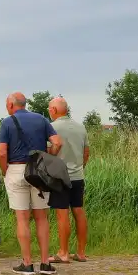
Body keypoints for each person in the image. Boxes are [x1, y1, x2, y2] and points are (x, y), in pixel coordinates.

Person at [0, 92, 64, 275]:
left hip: (17, 169)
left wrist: (5, 171)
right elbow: (58, 142)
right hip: (39, 172)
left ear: (11, 105)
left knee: (22, 218)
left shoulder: (7, 122)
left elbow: (3, 152)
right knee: (42, 218)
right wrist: (48, 159)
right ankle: (44, 263)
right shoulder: (42, 119)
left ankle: (27, 264)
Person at [47, 97, 90, 263]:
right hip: (78, 175)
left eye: (50, 109)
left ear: (55, 110)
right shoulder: (81, 127)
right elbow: (86, 152)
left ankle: (63, 252)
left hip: (60, 176)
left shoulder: (52, 127)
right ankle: (80, 252)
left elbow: (48, 150)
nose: (49, 111)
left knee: (62, 212)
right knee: (78, 210)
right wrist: (80, 167)